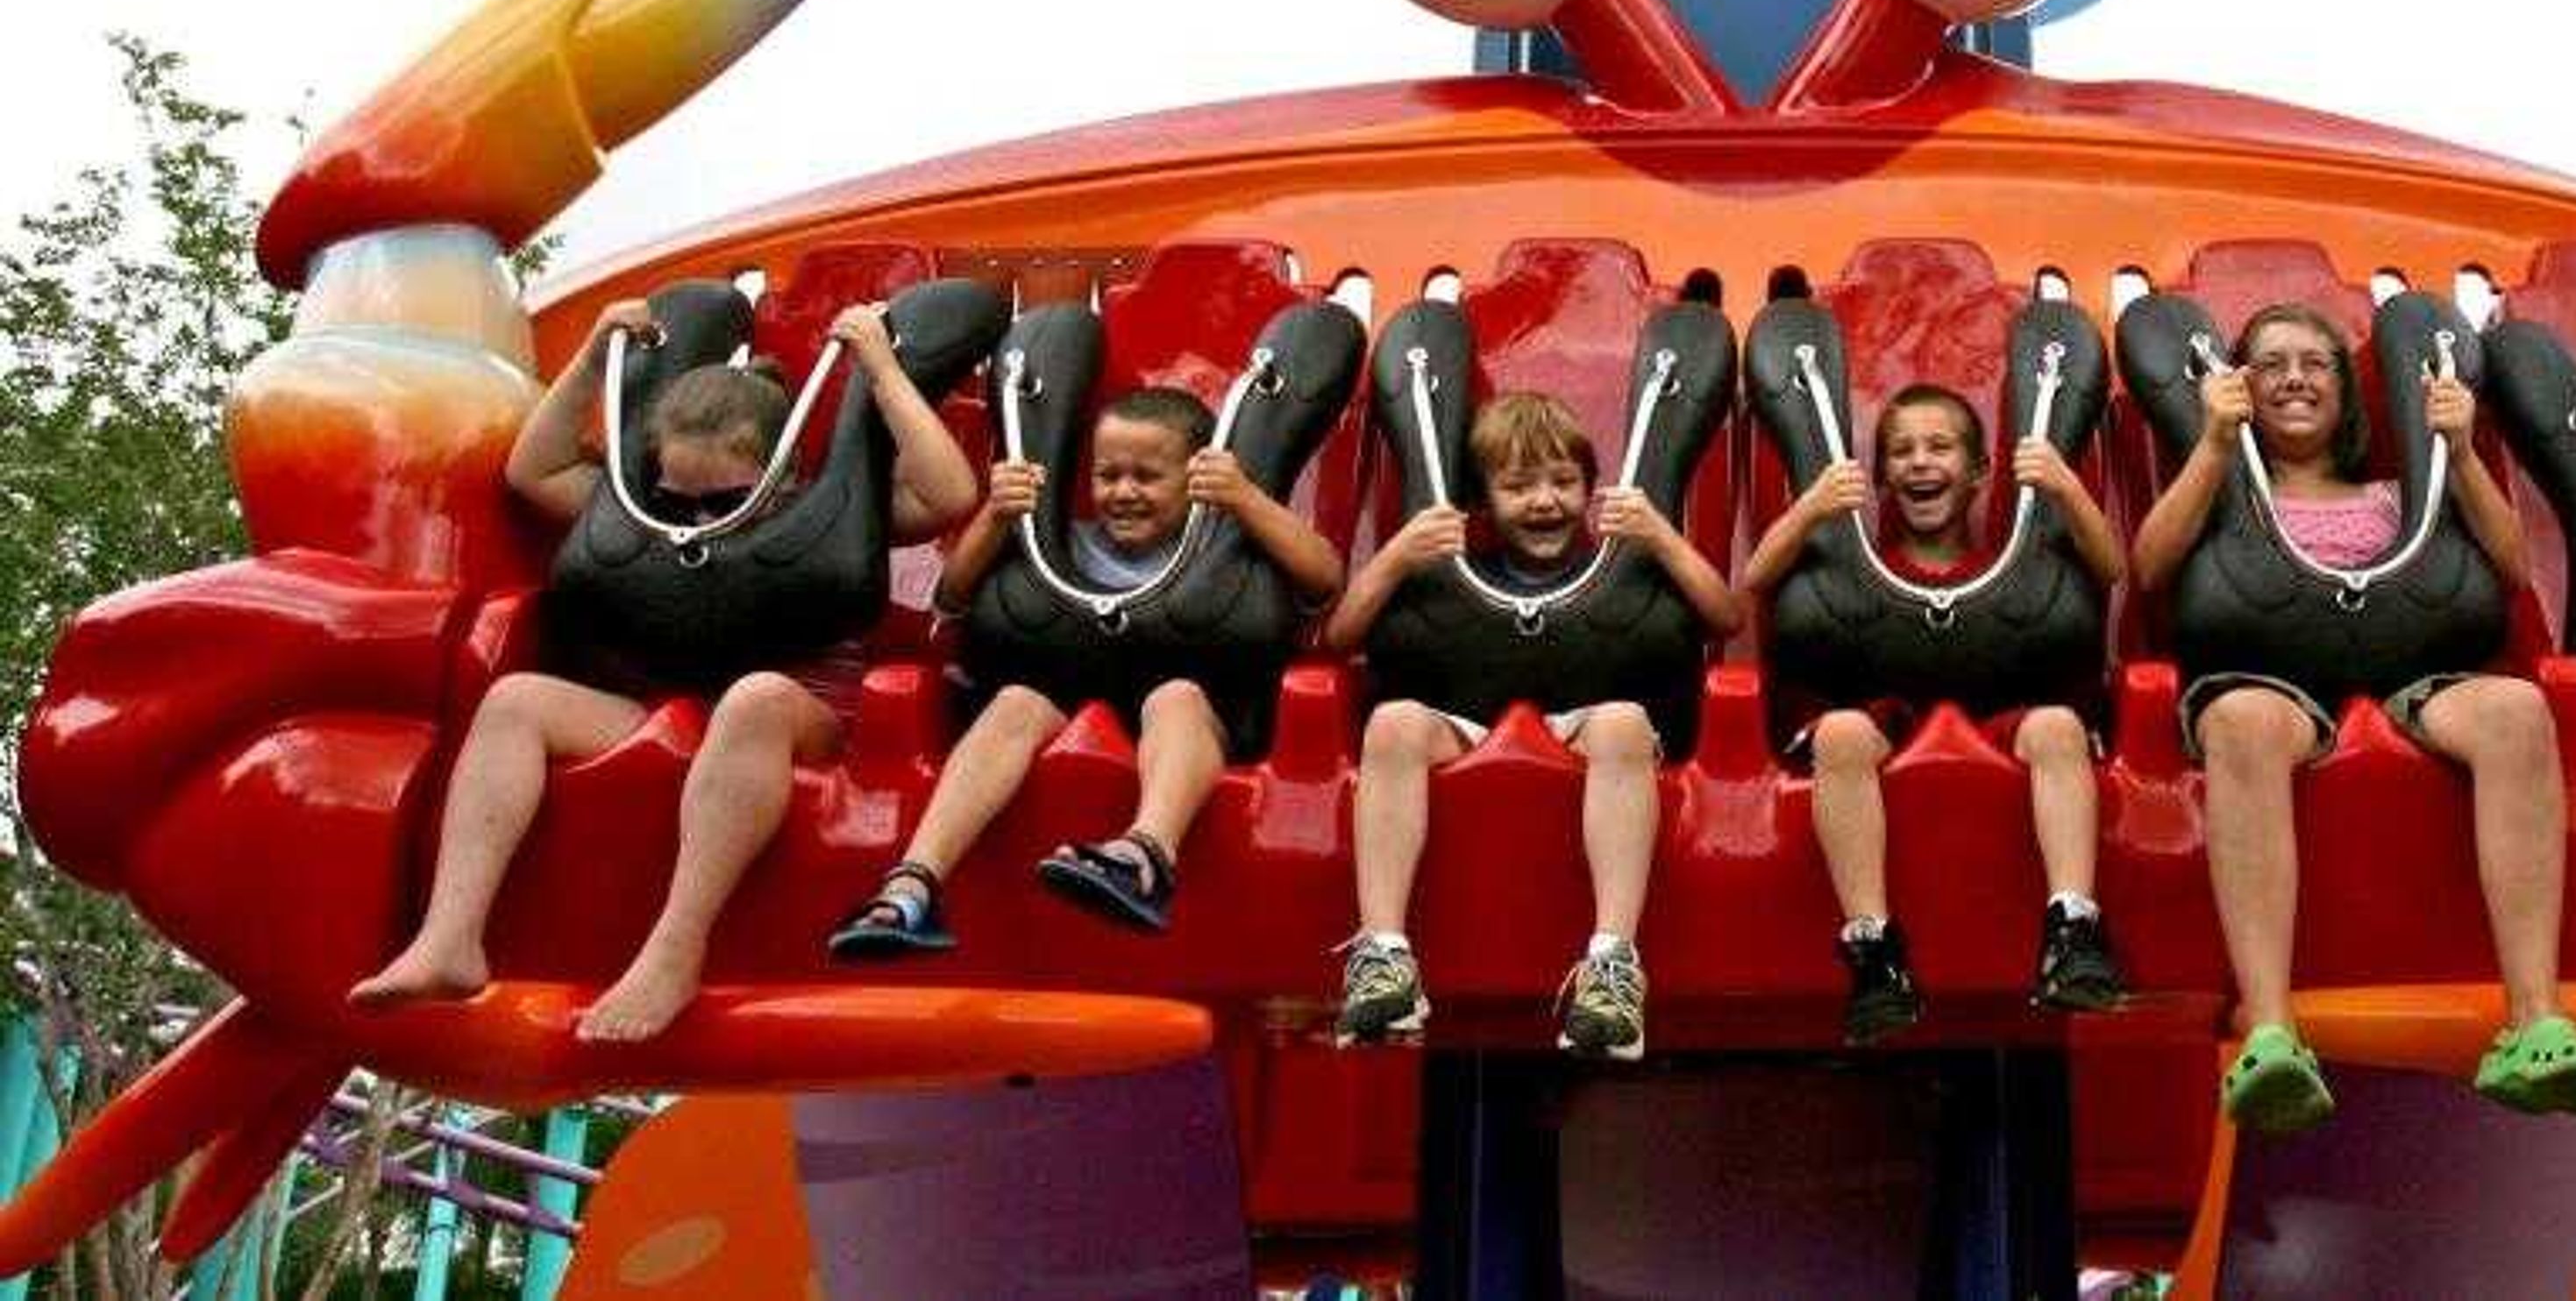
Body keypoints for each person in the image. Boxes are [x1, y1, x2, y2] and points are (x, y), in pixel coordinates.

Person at [348, 296, 978, 1042]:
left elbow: (949, 494)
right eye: (681, 496)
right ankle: (449, 938)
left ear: (778, 477)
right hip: (670, 709)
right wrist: (591, 358)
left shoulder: (824, 511)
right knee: (518, 700)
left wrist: (879, 364)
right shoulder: (642, 516)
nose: (702, 516)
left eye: (727, 500)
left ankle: (675, 951)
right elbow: (534, 471)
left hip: (795, 720)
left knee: (755, 700)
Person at [2131, 302, 2576, 1133]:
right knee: (2242, 722)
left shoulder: (2399, 496)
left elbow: (2509, 567)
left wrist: (2459, 454)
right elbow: (2148, 568)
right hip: (2271, 679)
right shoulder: (2226, 494)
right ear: (2239, 387)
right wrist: (2215, 445)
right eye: (2272, 364)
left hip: (2405, 676)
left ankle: (2535, 1018)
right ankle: (2270, 1027)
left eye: (2315, 364)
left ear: (2345, 393)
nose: (2294, 379)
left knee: (2515, 709)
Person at [826, 387, 1345, 955]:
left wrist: (1245, 498)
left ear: (1196, 477)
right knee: (1014, 702)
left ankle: (1143, 856)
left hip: (1191, 717)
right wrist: (996, 517)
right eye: (1107, 475)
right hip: (1067, 700)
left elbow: (1324, 580)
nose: (1123, 492)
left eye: (1147, 477)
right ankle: (912, 887)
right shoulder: (1063, 547)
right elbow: (950, 599)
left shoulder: (1226, 546)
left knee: (1175, 697)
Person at [1327, 393, 1743, 1061]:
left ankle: (1612, 965)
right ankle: (1383, 954)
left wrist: (1660, 536)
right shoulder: (1458, 571)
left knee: (1623, 723)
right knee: (1393, 723)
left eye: (1562, 482)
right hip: (1471, 720)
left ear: (1589, 488)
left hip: (1587, 724)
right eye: (1518, 487)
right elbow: (1341, 635)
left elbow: (1725, 617)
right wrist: (1398, 556)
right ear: (1484, 501)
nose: (1544, 501)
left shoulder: (1620, 564)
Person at [1747, 382, 2130, 1044]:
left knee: (2058, 726)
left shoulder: (2008, 573)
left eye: (1939, 447)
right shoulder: (1869, 573)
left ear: (1980, 472)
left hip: (1995, 712)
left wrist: (2065, 488)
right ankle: (1872, 947)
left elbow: (2111, 567)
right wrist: (1812, 508)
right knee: (1839, 732)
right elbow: (1756, 578)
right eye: (1901, 452)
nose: (1920, 462)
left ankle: (2073, 925)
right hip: (1887, 718)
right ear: (1883, 478)